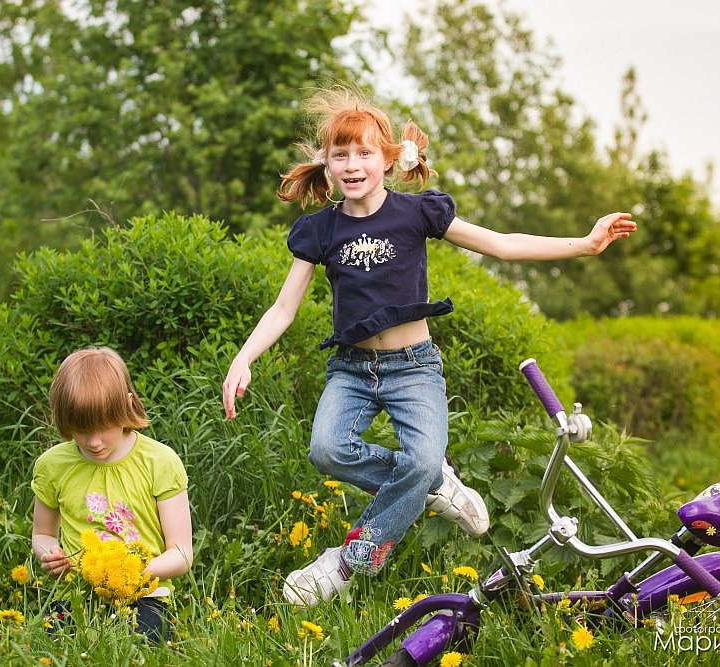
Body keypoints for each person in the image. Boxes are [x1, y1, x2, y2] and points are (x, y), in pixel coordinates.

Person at [221, 88, 637, 607]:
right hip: (350, 368)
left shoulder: (417, 213)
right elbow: (284, 308)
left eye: (365, 153)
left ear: (388, 160)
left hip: (413, 368)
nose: (353, 166)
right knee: (328, 450)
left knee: (416, 462)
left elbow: (502, 243)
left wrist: (584, 243)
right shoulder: (320, 230)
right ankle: (433, 483)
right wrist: (243, 358)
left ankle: (346, 564)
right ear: (326, 165)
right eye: (341, 155)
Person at [31, 346, 193, 642]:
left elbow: (182, 554)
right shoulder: (53, 466)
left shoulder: (160, 462)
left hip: (145, 595)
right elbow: (42, 534)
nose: (93, 442)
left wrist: (131, 572)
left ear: (127, 405)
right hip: (75, 594)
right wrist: (50, 554)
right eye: (81, 429)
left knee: (141, 645)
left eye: (103, 427)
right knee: (50, 648)